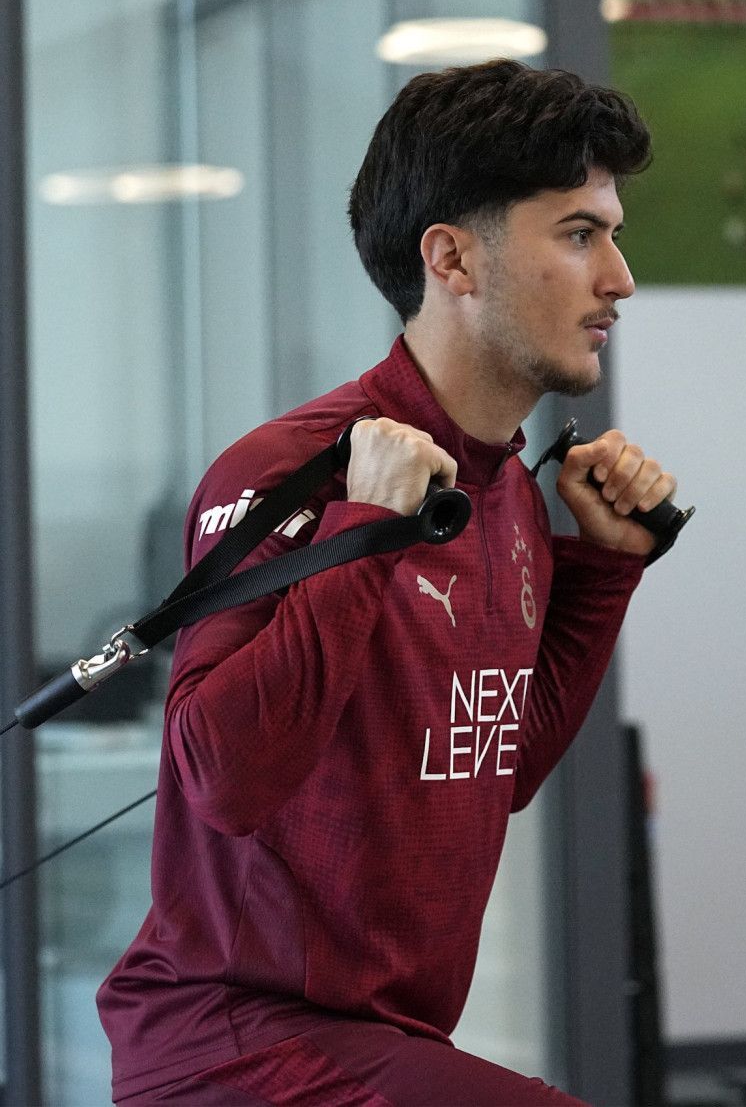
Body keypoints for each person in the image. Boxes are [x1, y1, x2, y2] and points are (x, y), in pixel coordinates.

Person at [97, 59, 675, 1104]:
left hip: (375, 1039)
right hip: (231, 1045)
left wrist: (604, 575)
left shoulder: (507, 496)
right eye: (579, 235)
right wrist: (365, 530)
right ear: (451, 259)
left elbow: (494, 766)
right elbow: (224, 779)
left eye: (613, 235)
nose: (618, 279)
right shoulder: (289, 472)